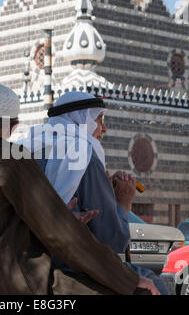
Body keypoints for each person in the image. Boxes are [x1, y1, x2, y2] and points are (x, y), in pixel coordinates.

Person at [0, 84, 159, 295]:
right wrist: (127, 279)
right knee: (150, 287)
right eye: (98, 120)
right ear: (14, 125)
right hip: (25, 284)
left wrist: (60, 216)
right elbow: (64, 236)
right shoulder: (10, 159)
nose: (103, 129)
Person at [20, 91, 168, 294]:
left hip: (28, 262)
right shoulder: (86, 155)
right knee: (154, 283)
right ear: (82, 121)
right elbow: (112, 240)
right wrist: (123, 202)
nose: (104, 128)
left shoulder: (27, 148)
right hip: (75, 267)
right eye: (98, 119)